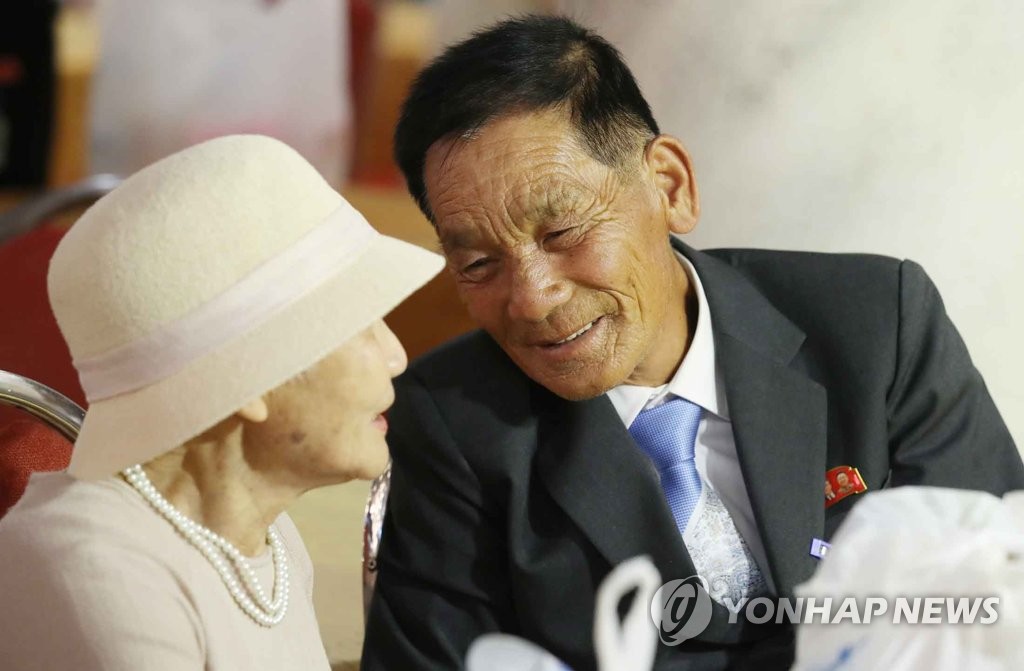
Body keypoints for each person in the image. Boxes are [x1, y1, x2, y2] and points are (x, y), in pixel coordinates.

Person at [360, 15, 1024, 670]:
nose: (533, 298)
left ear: (670, 186)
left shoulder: (875, 325)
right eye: (479, 264)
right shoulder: (455, 426)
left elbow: (999, 599)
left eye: (561, 232)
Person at [0, 134, 443, 669]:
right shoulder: (97, 573)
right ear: (251, 381)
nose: (396, 356)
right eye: (361, 323)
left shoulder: (267, 539)